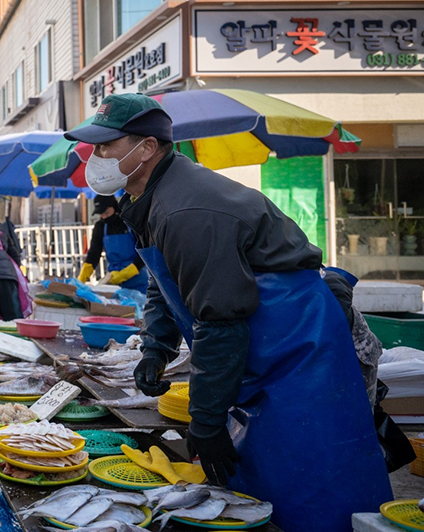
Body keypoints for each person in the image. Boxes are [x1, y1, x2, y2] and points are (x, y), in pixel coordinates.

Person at [64, 93, 391, 532]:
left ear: (145, 148)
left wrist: (207, 418)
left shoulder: (187, 208)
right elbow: (167, 281)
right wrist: (156, 348)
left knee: (318, 477)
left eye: (106, 145)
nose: (96, 156)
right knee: (259, 478)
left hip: (305, 349)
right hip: (261, 346)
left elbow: (221, 321)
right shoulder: (147, 196)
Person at [77, 195, 147, 291]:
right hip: (113, 280)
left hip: (138, 279)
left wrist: (127, 273)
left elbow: (144, 251)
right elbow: (94, 254)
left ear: (114, 206)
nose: (104, 217)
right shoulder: (100, 227)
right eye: (101, 214)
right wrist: (81, 279)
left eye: (106, 213)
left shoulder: (130, 221)